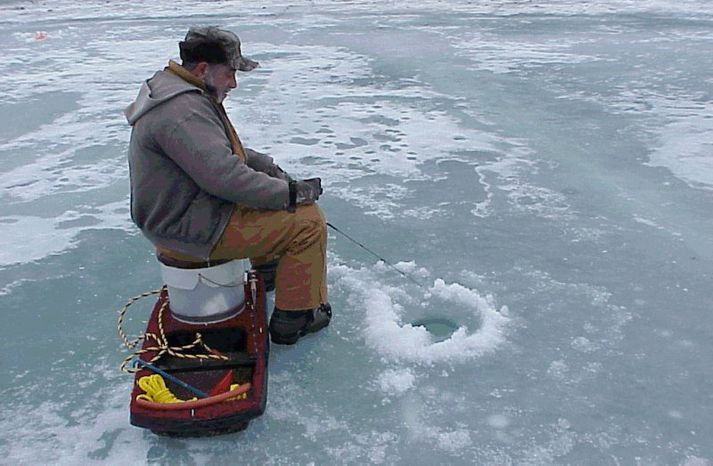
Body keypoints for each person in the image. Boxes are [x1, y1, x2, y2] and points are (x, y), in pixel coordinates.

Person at [124, 26, 331, 345]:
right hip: (187, 230)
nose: (233, 83)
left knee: (264, 199)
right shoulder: (183, 110)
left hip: (184, 215)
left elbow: (208, 156)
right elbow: (225, 178)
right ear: (204, 69)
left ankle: (270, 272)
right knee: (307, 222)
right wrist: (292, 193)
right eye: (230, 73)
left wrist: (262, 164)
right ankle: (296, 318)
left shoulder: (176, 91)